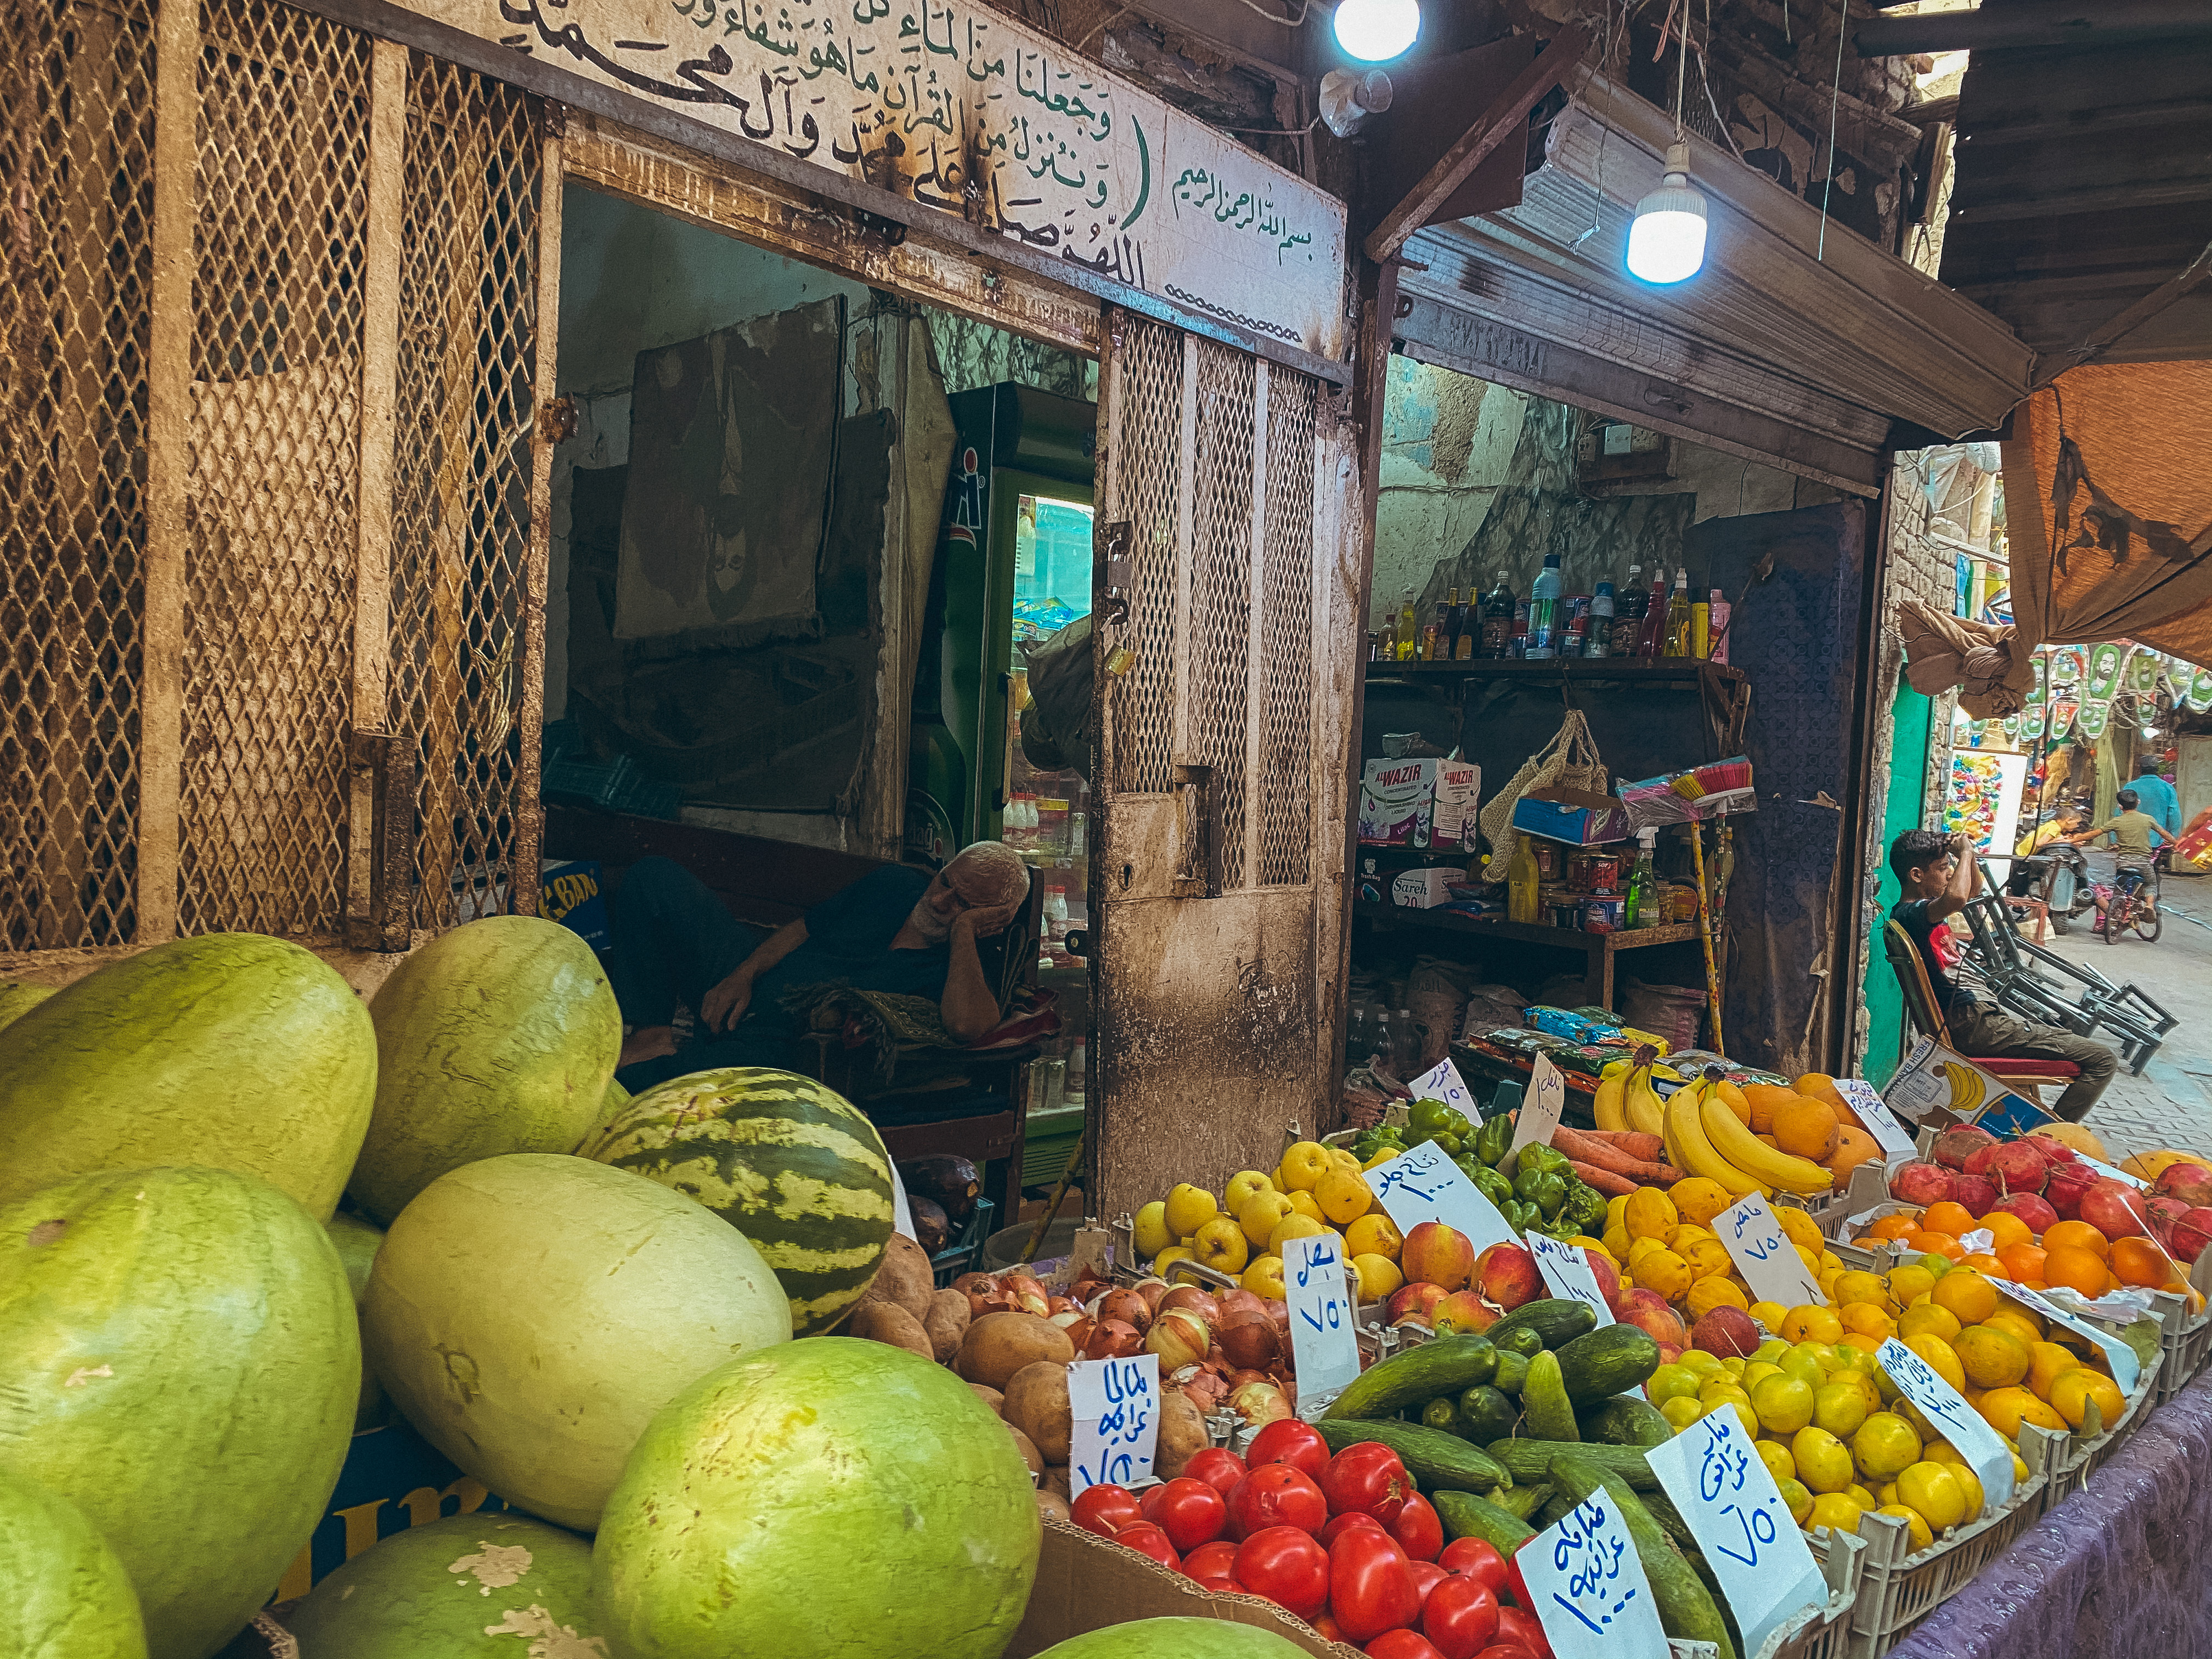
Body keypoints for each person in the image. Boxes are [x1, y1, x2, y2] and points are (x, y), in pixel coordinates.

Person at [607, 841, 1031, 1091]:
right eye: (945, 883)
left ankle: (668, 1061)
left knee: (638, 1086)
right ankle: (654, 1032)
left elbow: (967, 1026)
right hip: (757, 979)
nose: (940, 902)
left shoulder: (965, 964)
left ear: (990, 920)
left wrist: (963, 933)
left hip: (787, 1040)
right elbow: (803, 930)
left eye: (963, 904)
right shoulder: (897, 885)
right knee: (655, 880)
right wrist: (742, 975)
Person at [1888, 829, 2116, 1122]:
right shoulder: (1911, 914)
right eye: (1943, 868)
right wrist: (1968, 854)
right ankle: (2051, 1138)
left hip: (1977, 1019)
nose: (1949, 875)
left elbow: (1970, 891)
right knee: (2102, 1060)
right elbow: (1957, 898)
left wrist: (1963, 856)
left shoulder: (1915, 913)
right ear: (1917, 875)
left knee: (2076, 1045)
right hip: (1977, 1026)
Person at [2127, 760, 2181, 838]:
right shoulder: (2167, 788)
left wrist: (2115, 840)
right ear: (2157, 770)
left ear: (2141, 770)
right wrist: (2172, 837)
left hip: (2132, 840)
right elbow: (2174, 814)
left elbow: (2120, 812)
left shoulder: (2130, 787)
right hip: (2159, 840)